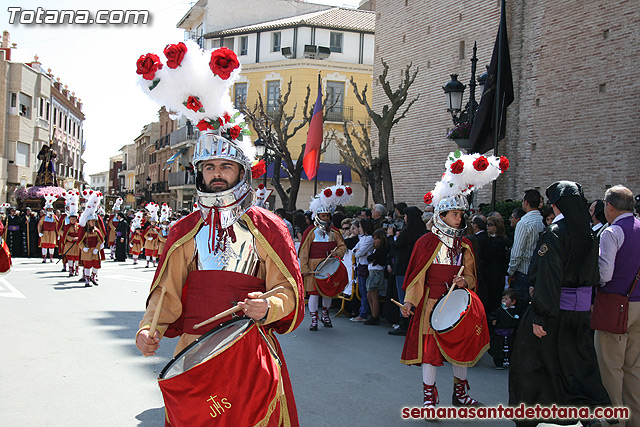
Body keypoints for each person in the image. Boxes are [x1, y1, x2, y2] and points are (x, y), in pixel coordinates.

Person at [135, 130, 304, 425]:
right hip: (193, 351)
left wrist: (268, 307)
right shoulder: (183, 230)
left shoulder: (269, 227)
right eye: (209, 167)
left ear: (241, 171)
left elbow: (287, 289)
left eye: (225, 166)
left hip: (248, 351)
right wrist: (149, 328)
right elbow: (166, 292)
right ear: (200, 172)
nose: (217, 174)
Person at [401, 152, 501, 412]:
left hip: (457, 302)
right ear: (441, 215)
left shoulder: (466, 244)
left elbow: (471, 276)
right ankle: (429, 398)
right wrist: (410, 302)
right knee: (431, 352)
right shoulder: (426, 242)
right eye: (454, 213)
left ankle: (460, 393)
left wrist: (464, 281)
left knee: (461, 347)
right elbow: (417, 276)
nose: (459, 218)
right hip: (431, 303)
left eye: (460, 213)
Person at [509, 181, 610, 426]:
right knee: (577, 365)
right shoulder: (589, 231)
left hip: (554, 311)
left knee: (531, 365)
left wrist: (540, 315)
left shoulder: (555, 232)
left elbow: (548, 276)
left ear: (555, 205)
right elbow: (595, 274)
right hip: (580, 312)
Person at [594, 185, 640, 426]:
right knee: (634, 368)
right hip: (639, 304)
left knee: (611, 367)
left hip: (615, 304)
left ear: (610, 206)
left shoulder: (611, 232)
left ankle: (614, 421)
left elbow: (605, 274)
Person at [298, 185, 350, 330]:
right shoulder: (310, 232)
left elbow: (342, 247)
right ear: (317, 216)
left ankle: (325, 315)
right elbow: (303, 252)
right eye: (323, 216)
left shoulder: (335, 231)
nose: (325, 218)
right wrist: (305, 268)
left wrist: (337, 253)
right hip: (314, 267)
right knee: (314, 294)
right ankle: (314, 319)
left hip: (330, 266)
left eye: (327, 216)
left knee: (328, 293)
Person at [388, 206, 426, 336]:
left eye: (405, 216)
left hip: (403, 268)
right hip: (417, 268)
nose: (404, 218)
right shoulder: (423, 232)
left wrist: (390, 237)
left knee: (403, 297)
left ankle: (404, 324)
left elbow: (395, 247)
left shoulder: (406, 232)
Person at [507, 190, 545, 306]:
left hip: (524, 271)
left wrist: (511, 271)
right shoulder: (543, 220)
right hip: (539, 269)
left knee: (520, 307)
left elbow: (517, 253)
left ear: (526, 202)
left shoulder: (523, 223)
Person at [78, 191, 105, 287]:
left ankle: (93, 277)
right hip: (87, 250)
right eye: (91, 221)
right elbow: (80, 241)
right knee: (87, 265)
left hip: (95, 250)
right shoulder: (85, 231)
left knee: (96, 265)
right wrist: (83, 247)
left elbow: (100, 240)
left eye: (94, 221)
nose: (93, 223)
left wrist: (97, 248)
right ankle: (87, 280)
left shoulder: (96, 230)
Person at [487, 288, 519, 369]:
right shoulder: (500, 311)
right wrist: (493, 320)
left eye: (506, 299)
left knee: (511, 349)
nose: (503, 300)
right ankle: (498, 363)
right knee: (498, 350)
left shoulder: (515, 311)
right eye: (503, 298)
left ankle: (510, 362)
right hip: (499, 334)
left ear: (513, 302)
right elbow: (492, 315)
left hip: (510, 334)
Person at [350, 218, 374, 322]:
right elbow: (354, 250)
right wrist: (358, 251)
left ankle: (363, 313)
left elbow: (359, 253)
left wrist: (358, 252)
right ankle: (363, 311)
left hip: (365, 266)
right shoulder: (363, 238)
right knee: (362, 290)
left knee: (365, 291)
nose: (359, 229)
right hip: (360, 265)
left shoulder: (369, 239)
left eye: (360, 227)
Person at [363, 229, 388, 325]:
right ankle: (373, 314)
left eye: (376, 239)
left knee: (373, 295)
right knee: (370, 294)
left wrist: (372, 258)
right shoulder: (377, 248)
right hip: (373, 271)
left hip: (376, 272)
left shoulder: (382, 249)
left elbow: (371, 258)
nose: (374, 241)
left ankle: (375, 316)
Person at [484, 215, 509, 314]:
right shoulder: (490, 239)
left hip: (495, 272)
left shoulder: (499, 241)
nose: (487, 227)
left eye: (490, 225)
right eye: (487, 224)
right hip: (491, 272)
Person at [61, 193, 81, 277]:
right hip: (69, 243)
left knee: (76, 257)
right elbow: (64, 234)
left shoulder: (79, 225)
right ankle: (70, 270)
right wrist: (71, 238)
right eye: (71, 219)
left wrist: (77, 238)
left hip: (76, 244)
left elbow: (81, 233)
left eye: (74, 219)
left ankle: (76, 269)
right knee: (70, 257)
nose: (72, 220)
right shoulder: (67, 226)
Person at [38, 195, 59, 263]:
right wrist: (40, 232)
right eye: (48, 209)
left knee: (51, 246)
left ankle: (51, 258)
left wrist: (58, 234)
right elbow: (40, 225)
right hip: (45, 232)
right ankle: (44, 258)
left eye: (51, 209)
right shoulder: (43, 217)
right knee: (44, 245)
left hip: (52, 233)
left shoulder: (54, 217)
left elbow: (57, 225)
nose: (50, 210)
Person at [142, 203, 160, 268]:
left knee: (154, 253)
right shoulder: (148, 228)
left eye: (153, 222)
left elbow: (159, 236)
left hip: (155, 242)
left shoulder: (157, 229)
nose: (152, 223)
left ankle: (154, 263)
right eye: (151, 222)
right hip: (149, 241)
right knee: (148, 253)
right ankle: (147, 263)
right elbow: (145, 235)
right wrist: (148, 238)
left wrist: (158, 242)